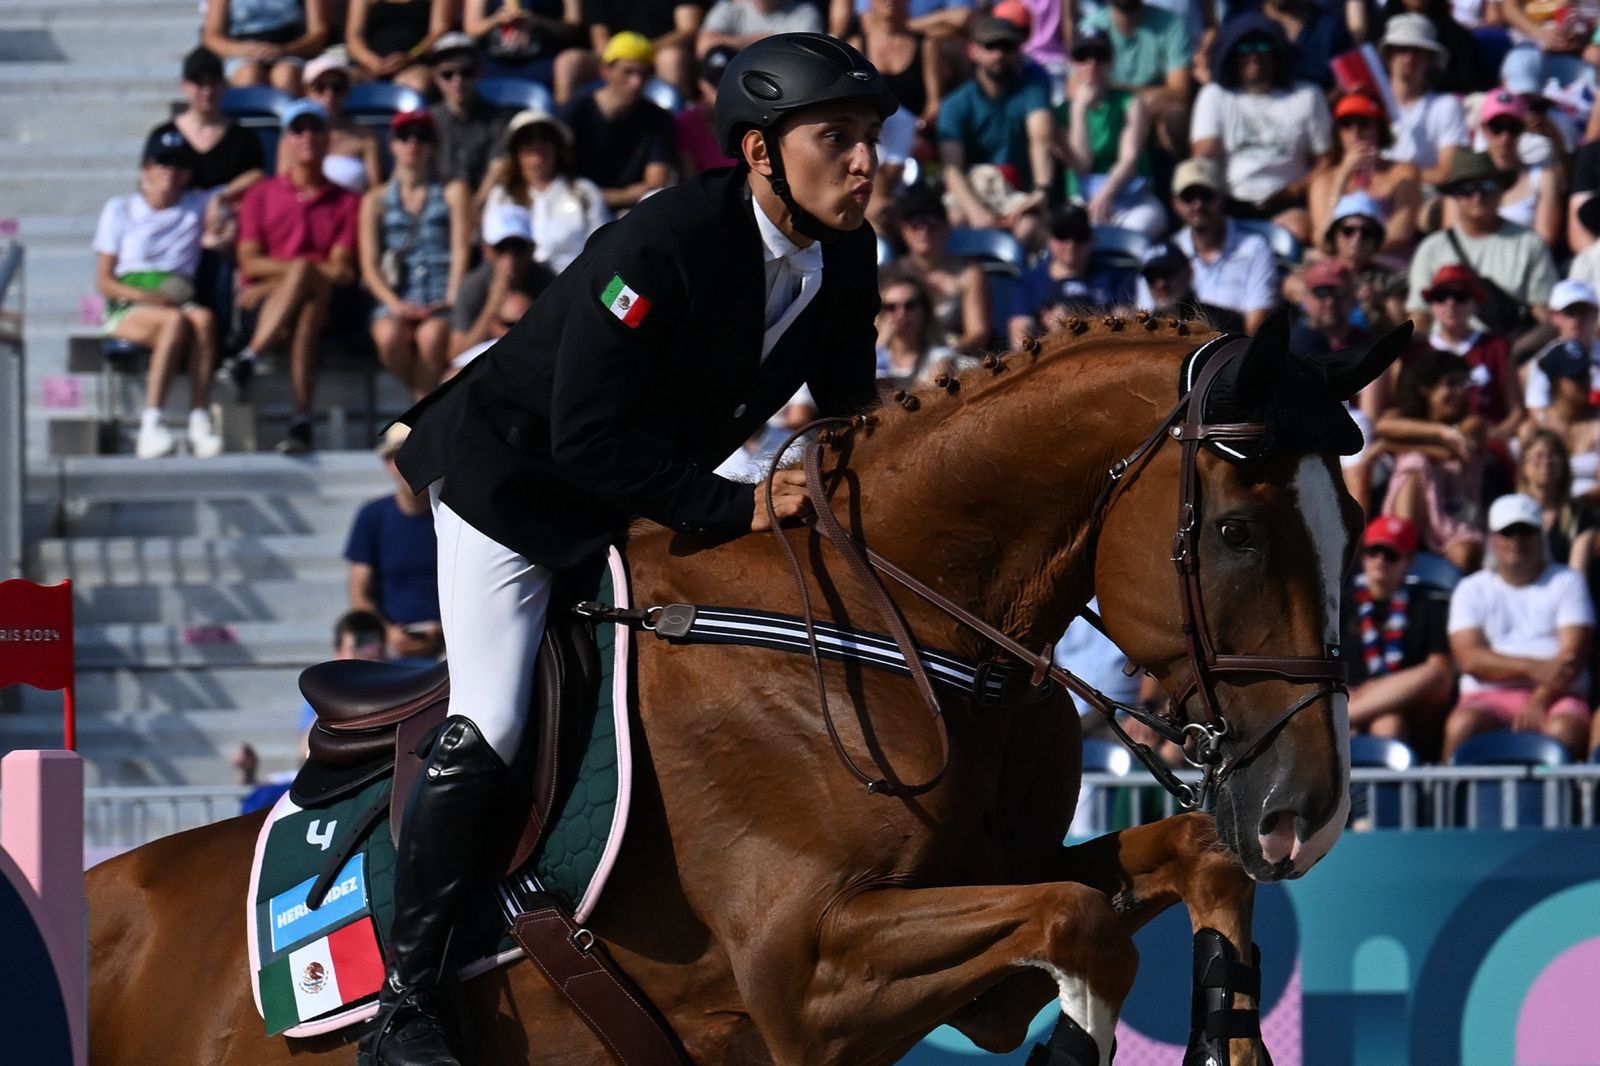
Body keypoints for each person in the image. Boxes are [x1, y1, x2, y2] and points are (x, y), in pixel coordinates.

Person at [363, 34, 895, 1064]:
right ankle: (405, 1003)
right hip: (512, 488)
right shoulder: (662, 245)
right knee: (497, 711)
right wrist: (742, 507)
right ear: (757, 151)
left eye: (873, 139)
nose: (867, 162)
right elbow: (586, 437)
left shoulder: (845, 251)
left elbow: (847, 418)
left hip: (634, 498)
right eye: (840, 138)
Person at [230, 98, 361, 454]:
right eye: (298, 129)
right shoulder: (261, 195)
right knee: (305, 306)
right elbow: (248, 262)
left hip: (318, 301)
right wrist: (295, 279)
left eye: (315, 128)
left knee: (307, 278)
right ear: (287, 139)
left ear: (327, 138)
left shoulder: (347, 201)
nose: (307, 136)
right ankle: (301, 419)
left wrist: (282, 279)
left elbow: (340, 269)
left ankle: (250, 357)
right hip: (288, 305)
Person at [93, 129, 226, 459]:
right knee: (173, 323)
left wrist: (220, 206)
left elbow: (250, 180)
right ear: (145, 169)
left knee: (204, 320)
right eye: (162, 163)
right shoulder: (120, 209)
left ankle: (199, 418)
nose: (170, 171)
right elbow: (104, 281)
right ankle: (151, 423)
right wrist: (148, 297)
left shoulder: (196, 205)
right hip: (131, 301)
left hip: (178, 295)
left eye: (179, 165)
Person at [1445, 492, 1595, 760]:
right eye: (1508, 532)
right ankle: (1445, 802)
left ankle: (1560, 803)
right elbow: (1469, 659)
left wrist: (1541, 699)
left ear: (1541, 537)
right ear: (1493, 539)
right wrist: (1533, 667)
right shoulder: (1470, 588)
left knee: (1564, 729)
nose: (1517, 541)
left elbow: (1573, 655)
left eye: (1526, 532)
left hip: (1557, 696)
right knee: (1462, 725)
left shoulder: (1568, 582)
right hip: (1486, 697)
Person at [146, 46, 266, 337]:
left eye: (213, 82)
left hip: (224, 222)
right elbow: (150, 185)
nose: (206, 91)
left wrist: (220, 197)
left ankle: (224, 335)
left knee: (222, 243)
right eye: (199, 83)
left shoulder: (241, 137)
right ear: (186, 87)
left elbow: (257, 176)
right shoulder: (163, 135)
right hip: (176, 222)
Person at [359, 110, 472, 399]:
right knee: (389, 337)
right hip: (397, 294)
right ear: (392, 144)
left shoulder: (453, 191)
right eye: (404, 136)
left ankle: (413, 418)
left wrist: (451, 298)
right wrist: (396, 305)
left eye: (422, 137)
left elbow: (460, 250)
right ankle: (421, 411)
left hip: (440, 291)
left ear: (432, 146)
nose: (413, 143)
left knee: (432, 337)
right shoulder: (375, 200)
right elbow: (369, 266)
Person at [1190, 13, 1332, 242]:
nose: (1254, 55)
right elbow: (1204, 157)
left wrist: (1296, 190)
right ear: (1232, 54)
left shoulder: (1308, 95)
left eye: (1263, 46)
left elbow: (1325, 162)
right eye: (1245, 47)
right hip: (1230, 202)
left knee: (1295, 232)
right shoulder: (1215, 96)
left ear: (1277, 54)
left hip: (1288, 200)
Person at [1405, 149, 1559, 357]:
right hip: (1445, 356)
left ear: (1501, 191)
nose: (1477, 197)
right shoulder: (1431, 248)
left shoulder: (1529, 243)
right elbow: (1419, 316)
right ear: (1456, 198)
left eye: (1487, 186)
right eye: (1467, 189)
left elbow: (1548, 320)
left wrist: (1506, 357)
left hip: (1508, 351)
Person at [1341, 515, 1455, 745]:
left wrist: (1379, 690)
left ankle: (1343, 719)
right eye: (1374, 551)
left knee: (1432, 676)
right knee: (1388, 725)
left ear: (1409, 559)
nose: (1380, 560)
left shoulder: (1428, 605)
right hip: (1346, 694)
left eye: (1391, 554)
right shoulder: (1341, 602)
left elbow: (1439, 674)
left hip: (1407, 705)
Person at [936, 15, 1055, 230]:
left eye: (1008, 47)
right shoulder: (955, 103)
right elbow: (952, 167)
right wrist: (977, 213)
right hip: (971, 190)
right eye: (991, 46)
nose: (999, 54)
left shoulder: (1032, 91)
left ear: (1018, 51)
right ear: (973, 51)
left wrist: (1042, 190)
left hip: (1016, 192)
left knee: (1028, 226)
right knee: (955, 221)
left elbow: (1041, 138)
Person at [1378, 348, 1488, 573]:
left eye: (1463, 384)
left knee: (1465, 554)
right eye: (1450, 384)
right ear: (1426, 389)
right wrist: (1441, 432)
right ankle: (1402, 548)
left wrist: (1390, 445)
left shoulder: (1473, 423)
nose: (1459, 392)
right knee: (1415, 465)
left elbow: (1452, 451)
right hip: (1415, 509)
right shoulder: (1407, 420)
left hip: (1454, 512)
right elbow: (1383, 425)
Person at [346, 425, 445, 661]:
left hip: (448, 640)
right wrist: (387, 633)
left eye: (415, 455)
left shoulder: (451, 517)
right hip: (387, 641)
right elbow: (358, 593)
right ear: (387, 464)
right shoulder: (372, 516)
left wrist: (443, 631)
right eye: (399, 457)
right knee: (357, 650)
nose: (408, 465)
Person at [1057, 32, 1165, 238]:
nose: (1092, 64)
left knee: (1135, 233)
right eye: (1083, 57)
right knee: (1075, 235)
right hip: (1082, 200)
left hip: (1132, 198)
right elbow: (1082, 164)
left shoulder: (1131, 103)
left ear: (1111, 61)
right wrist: (1078, 109)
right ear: (1072, 62)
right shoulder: (1061, 113)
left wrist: (1106, 194)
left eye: (1100, 56)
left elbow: (1130, 158)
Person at [480, 109, 611, 274]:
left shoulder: (584, 191)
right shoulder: (502, 195)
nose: (536, 144)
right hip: (521, 284)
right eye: (526, 139)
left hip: (573, 282)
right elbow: (492, 250)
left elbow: (603, 248)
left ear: (557, 146)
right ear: (515, 151)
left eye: (545, 137)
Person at [558, 32, 678, 210]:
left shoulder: (658, 119)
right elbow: (556, 181)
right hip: (577, 208)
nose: (636, 82)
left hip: (631, 211)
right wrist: (621, 196)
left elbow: (654, 184)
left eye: (643, 73)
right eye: (627, 72)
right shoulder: (574, 112)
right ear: (605, 72)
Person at [1160, 156, 1278, 333]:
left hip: (1232, 350)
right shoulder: (1163, 254)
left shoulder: (1254, 247)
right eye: (1189, 196)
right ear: (1175, 203)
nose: (1198, 205)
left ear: (1223, 196)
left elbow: (1257, 325)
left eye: (1206, 195)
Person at [1412, 263, 1522, 439]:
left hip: (1489, 442)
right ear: (1432, 306)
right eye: (1441, 297)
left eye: (1460, 297)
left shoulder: (1498, 348)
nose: (1451, 304)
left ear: (1475, 304)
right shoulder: (1416, 351)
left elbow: (1515, 412)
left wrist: (1490, 439)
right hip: (1430, 442)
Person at [1308, 92, 1423, 255]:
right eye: (1346, 124)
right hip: (1340, 265)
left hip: (1387, 261)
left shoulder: (1403, 174)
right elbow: (1321, 238)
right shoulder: (1323, 180)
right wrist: (1342, 177)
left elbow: (1401, 232)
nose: (1355, 132)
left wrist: (1359, 253)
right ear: (1338, 133)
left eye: (1363, 123)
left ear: (1379, 128)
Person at [1008, 203, 1134, 347]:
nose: (1071, 244)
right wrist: (1047, 334)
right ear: (1049, 239)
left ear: (1091, 239)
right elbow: (1019, 338)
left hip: (1103, 353)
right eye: (1062, 235)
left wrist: (1082, 325)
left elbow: (1126, 328)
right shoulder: (1029, 281)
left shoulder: (1114, 276)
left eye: (1079, 236)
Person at [1079, 0, 1191, 153]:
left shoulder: (1170, 24)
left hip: (1151, 115)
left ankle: (1171, 172)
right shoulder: (1092, 26)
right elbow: (1075, 88)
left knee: (1176, 117)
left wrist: (1117, 93)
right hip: (1107, 113)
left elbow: (1180, 93)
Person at [893, 183, 991, 353]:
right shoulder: (891, 275)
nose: (923, 232)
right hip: (903, 360)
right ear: (903, 231)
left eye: (931, 224)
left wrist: (943, 359)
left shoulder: (969, 272)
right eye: (915, 225)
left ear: (946, 226)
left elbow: (978, 333)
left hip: (955, 356)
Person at [1467, 88, 1567, 250]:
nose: (1505, 137)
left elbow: (1545, 241)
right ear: (1484, 129)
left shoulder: (1543, 177)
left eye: (1513, 127)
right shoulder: (1466, 177)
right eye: (1497, 127)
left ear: (1523, 130)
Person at [450, 203, 554, 357]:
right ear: (487, 250)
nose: (510, 258)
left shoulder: (550, 284)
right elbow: (456, 354)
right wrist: (492, 308)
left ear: (532, 249)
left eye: (519, 247)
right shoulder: (472, 285)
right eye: (501, 247)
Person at [1380, 13, 1468, 186]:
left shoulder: (1446, 106)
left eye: (1418, 51)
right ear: (1389, 55)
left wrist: (1394, 177)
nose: (1410, 57)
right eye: (1402, 49)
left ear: (1430, 60)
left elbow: (1447, 173)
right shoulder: (1372, 104)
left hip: (1426, 199)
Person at [280, 49, 382, 195]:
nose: (329, 94)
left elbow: (375, 192)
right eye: (320, 87)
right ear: (306, 91)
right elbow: (282, 189)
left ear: (346, 91)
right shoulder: (292, 137)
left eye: (337, 87)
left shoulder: (365, 136)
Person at [1311, 192, 1408, 336]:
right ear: (1334, 235)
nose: (1357, 238)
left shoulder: (1389, 280)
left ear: (1376, 240)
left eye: (1366, 232)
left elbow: (1399, 331)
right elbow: (1291, 286)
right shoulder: (1315, 270)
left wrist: (1378, 305)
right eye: (1348, 230)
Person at [427, 34, 513, 193]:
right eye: (447, 74)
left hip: (485, 205)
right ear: (435, 78)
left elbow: (498, 168)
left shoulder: (499, 119)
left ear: (479, 73)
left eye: (466, 72)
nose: (457, 80)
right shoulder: (427, 120)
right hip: (437, 205)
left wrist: (475, 206)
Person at [463, 0, 588, 101]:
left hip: (543, 62)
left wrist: (537, 21)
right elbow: (471, 29)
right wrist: (497, 19)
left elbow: (573, 27)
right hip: (494, 62)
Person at [1522, 342, 1600, 500]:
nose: (1586, 382)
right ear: (1556, 382)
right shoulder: (1534, 427)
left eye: (1587, 374)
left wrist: (1572, 506)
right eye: (1577, 377)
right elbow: (1524, 483)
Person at [583, 0, 708, 98]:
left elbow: (688, 29)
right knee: (569, 62)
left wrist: (641, 51)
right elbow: (600, 37)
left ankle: (679, 121)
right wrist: (623, 56)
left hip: (661, 53)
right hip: (617, 57)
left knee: (670, 59)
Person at [201, 0, 329, 94]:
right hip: (242, 50)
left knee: (286, 76)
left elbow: (318, 32)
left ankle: (293, 127)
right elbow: (211, 36)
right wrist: (243, 50)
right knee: (249, 76)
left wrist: (286, 50)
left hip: (289, 47)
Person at [851, 0, 943, 130]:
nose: (890, 1)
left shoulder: (926, 45)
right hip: (873, 134)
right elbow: (854, 102)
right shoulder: (856, 46)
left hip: (916, 136)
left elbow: (934, 104)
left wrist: (917, 128)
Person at [875, 265, 958, 392]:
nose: (901, 315)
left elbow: (930, 403)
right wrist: (879, 346)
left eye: (910, 306)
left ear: (925, 311)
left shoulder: (940, 358)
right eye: (891, 307)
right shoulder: (873, 356)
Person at [1523, 279, 1600, 414]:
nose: (1576, 319)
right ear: (1554, 316)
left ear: (1595, 314)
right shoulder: (1545, 361)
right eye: (1569, 312)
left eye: (1584, 311)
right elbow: (1538, 411)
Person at [1133, 241, 1245, 333]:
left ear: (1188, 272)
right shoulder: (1143, 330)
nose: (1160, 283)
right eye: (1151, 276)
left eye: (1168, 272)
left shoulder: (1224, 320)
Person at [344, 0, 454, 93]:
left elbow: (438, 31)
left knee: (417, 84)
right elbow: (353, 37)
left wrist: (411, 56)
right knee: (344, 83)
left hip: (415, 64)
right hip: (369, 66)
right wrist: (373, 63)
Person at [678, 43, 742, 177]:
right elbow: (690, 178)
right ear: (701, 83)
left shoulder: (754, 119)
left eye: (727, 82)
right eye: (715, 83)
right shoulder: (685, 123)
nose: (721, 90)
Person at [698, 0, 824, 53]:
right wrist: (758, 40)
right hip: (732, 79)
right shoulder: (730, 7)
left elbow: (808, 53)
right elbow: (703, 46)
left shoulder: (805, 12)